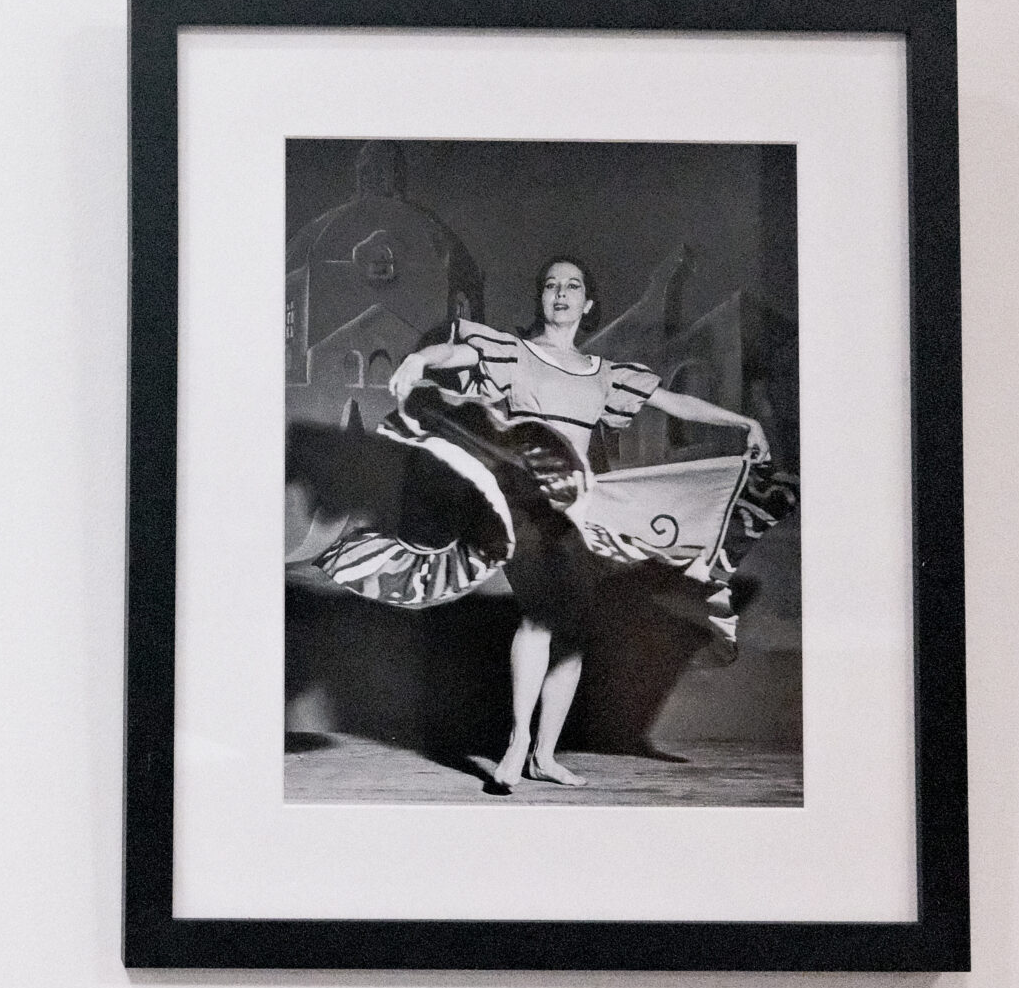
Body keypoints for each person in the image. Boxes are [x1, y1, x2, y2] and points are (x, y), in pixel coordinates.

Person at [306, 257, 792, 794]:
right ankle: (517, 745)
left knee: (572, 631)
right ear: (542, 298)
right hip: (524, 507)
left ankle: (544, 754)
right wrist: (420, 358)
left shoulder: (604, 375)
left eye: (573, 286)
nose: (561, 293)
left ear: (587, 305)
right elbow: (459, 351)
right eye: (551, 285)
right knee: (542, 615)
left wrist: (742, 420)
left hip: (580, 513)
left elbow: (671, 401)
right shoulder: (515, 354)